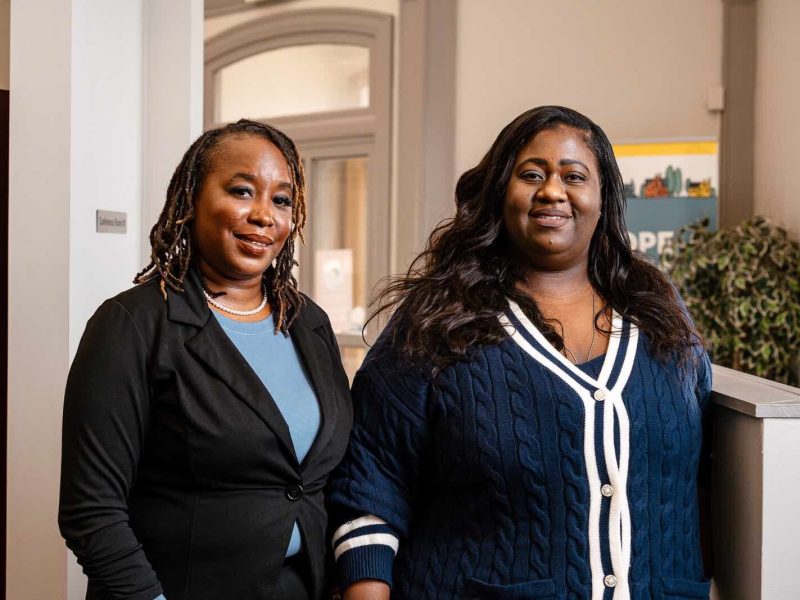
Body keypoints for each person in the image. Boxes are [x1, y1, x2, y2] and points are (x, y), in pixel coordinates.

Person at [327, 106, 712, 600]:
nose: (552, 190)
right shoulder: (438, 320)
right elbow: (371, 478)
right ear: (499, 193)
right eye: (532, 174)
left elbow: (703, 480)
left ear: (603, 198)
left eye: (574, 176)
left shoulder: (660, 318)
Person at [59, 119, 352, 600]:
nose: (264, 215)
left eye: (281, 200)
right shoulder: (134, 324)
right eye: (242, 191)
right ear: (192, 199)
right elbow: (91, 510)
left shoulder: (309, 323)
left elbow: (325, 479)